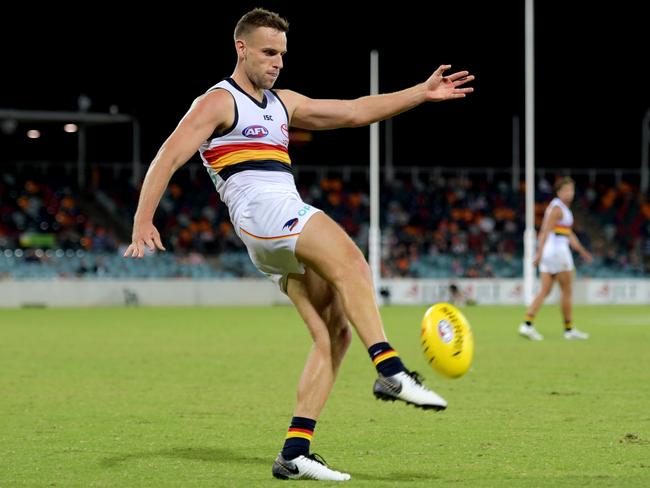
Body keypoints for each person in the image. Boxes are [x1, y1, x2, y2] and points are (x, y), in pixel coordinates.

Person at [123, 8, 474, 481]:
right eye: (268, 52)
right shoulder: (217, 102)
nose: (277, 62)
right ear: (241, 48)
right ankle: (390, 370)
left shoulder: (282, 103)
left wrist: (421, 93)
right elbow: (167, 155)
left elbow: (353, 111)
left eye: (282, 54)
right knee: (351, 259)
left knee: (333, 334)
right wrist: (143, 218)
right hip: (260, 212)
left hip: (273, 226)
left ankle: (295, 452)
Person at [519, 177, 593, 341]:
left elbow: (568, 233)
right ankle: (568, 329)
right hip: (557, 253)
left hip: (550, 253)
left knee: (545, 290)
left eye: (571, 190)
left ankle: (527, 324)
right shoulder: (558, 209)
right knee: (567, 291)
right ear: (559, 192)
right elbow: (545, 231)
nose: (570, 193)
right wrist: (538, 253)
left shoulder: (561, 209)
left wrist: (581, 251)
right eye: (566, 190)